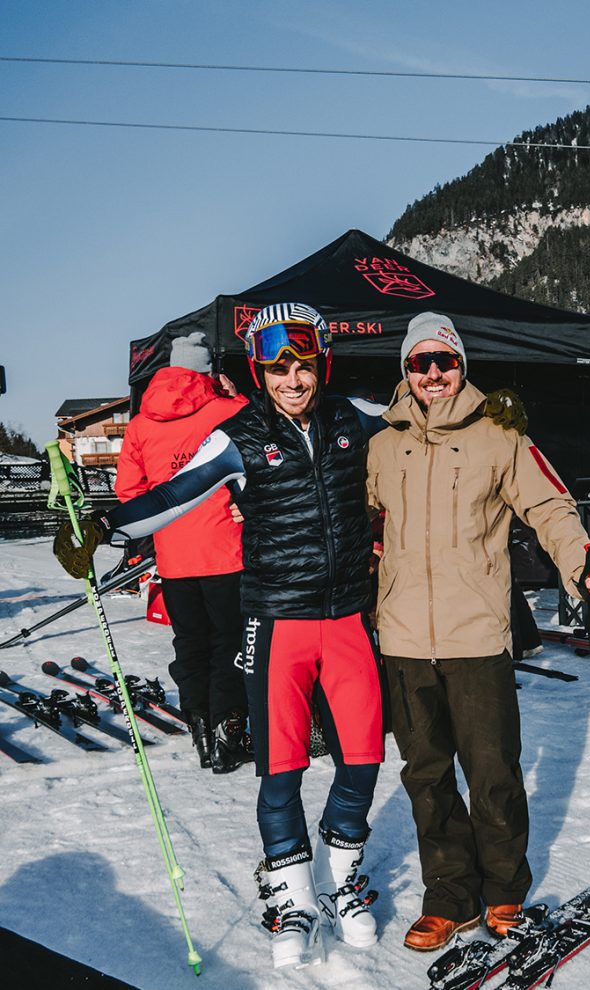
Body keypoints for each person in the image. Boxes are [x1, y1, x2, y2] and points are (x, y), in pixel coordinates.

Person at [57, 303, 386, 970]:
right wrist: (106, 528)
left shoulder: (354, 419)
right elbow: (174, 493)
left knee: (362, 760)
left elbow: (420, 434)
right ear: (259, 371)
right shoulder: (237, 435)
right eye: (277, 365)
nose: (292, 377)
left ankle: (343, 880)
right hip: (277, 621)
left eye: (302, 362)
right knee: (281, 768)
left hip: (347, 615)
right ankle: (292, 894)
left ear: (321, 360)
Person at [366, 311, 590, 952]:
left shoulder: (498, 435)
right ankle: (449, 896)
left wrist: (580, 561)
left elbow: (550, 505)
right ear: (405, 370)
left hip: (476, 633)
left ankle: (504, 890)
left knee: (491, 770)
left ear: (461, 366)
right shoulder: (381, 442)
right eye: (419, 362)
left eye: (443, 361)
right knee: (425, 774)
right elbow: (355, 517)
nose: (432, 374)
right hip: (401, 635)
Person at [114, 332, 250, 772]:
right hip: (227, 553)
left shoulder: (139, 423)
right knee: (231, 642)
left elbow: (128, 493)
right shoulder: (230, 411)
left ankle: (201, 733)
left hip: (174, 559)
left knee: (190, 644)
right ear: (208, 371)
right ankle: (229, 735)